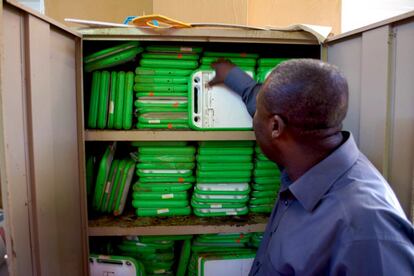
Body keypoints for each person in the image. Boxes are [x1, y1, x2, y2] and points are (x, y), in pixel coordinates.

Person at [209, 59, 414, 275]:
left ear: (276, 127)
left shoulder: (366, 232)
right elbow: (270, 104)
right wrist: (231, 74)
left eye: (258, 112)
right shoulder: (306, 152)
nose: (254, 118)